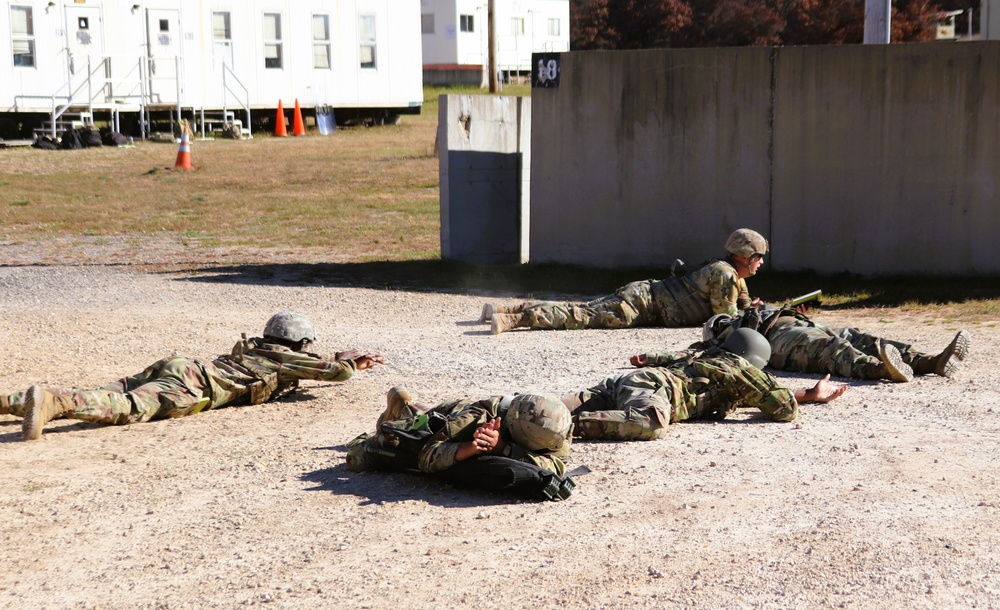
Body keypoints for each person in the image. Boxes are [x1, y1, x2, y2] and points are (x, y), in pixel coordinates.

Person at [1, 312, 384, 441]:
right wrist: (350, 361)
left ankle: (12, 401)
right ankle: (53, 400)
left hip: (181, 365)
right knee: (126, 407)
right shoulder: (286, 358)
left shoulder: (255, 347)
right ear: (298, 343)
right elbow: (334, 374)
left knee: (106, 391)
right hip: (192, 385)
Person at [560, 328, 846, 441]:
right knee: (651, 422)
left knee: (557, 406)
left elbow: (750, 397)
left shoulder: (712, 359)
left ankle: (519, 410)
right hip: (653, 389)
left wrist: (810, 394)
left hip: (629, 385)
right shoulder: (736, 367)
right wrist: (783, 393)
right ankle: (561, 427)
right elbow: (783, 409)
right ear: (753, 363)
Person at [483, 228, 769, 335]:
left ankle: (509, 309)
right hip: (643, 306)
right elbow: (725, 319)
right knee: (580, 316)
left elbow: (740, 304)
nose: (761, 262)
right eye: (758, 256)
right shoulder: (726, 274)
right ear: (744, 256)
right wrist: (751, 314)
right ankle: (513, 320)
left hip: (644, 295)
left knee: (581, 308)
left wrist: (751, 308)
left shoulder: (730, 273)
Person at [346, 388, 578, 500]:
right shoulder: (474, 420)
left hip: (456, 414)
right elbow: (427, 457)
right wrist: (470, 448)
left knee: (424, 411)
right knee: (361, 451)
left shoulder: (554, 422)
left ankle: (409, 405)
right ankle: (397, 409)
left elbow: (556, 464)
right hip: (448, 419)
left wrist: (502, 449)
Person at [702, 307, 971, 383]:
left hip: (802, 324)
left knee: (862, 339)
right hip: (778, 340)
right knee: (831, 349)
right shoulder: (722, 337)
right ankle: (880, 369)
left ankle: (930, 361)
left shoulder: (744, 313)